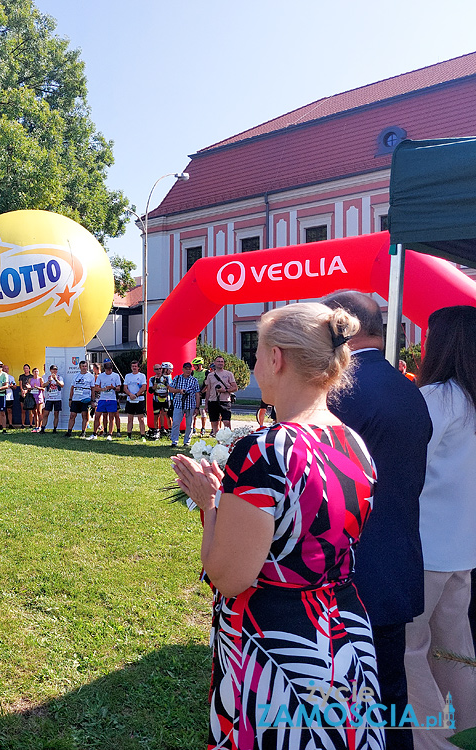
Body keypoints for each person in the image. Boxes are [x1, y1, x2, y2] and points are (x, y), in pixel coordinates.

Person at [172, 303, 384, 750]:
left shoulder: (264, 450)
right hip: (345, 637)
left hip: (279, 646)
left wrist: (211, 506)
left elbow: (230, 577)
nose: (252, 368)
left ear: (277, 358)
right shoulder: (354, 442)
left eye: (256, 355)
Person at [324, 290, 432, 750]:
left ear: (338, 327)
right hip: (397, 561)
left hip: (349, 572)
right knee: (391, 693)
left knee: (342, 701)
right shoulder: (409, 389)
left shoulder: (341, 390)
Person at [404, 305, 476, 747]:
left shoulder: (438, 397)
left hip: (426, 546)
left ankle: (434, 741)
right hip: (462, 546)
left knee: (410, 650)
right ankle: (467, 729)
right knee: (455, 650)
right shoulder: (467, 396)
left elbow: (409, 462)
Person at [167, 361, 200, 448]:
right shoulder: (177, 378)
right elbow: (170, 389)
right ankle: (174, 441)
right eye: (186, 369)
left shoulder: (194, 380)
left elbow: (197, 394)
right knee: (176, 423)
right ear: (183, 369)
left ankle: (187, 442)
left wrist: (197, 407)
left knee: (189, 424)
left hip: (190, 405)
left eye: (189, 369)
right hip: (178, 404)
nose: (188, 371)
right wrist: (179, 391)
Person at [89, 359, 120, 441]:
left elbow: (119, 388)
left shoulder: (116, 376)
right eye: (107, 370)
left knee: (111, 417)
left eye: (110, 369)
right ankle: (94, 434)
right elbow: (95, 387)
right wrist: (102, 389)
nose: (108, 371)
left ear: (112, 368)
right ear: (104, 369)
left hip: (112, 399)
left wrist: (113, 387)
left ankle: (110, 434)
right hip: (102, 399)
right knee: (97, 416)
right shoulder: (101, 376)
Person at [205, 355, 237, 434]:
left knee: (226, 422)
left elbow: (235, 388)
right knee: (214, 423)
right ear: (214, 363)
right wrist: (206, 404)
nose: (220, 363)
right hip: (213, 401)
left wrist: (225, 390)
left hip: (225, 401)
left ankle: (228, 442)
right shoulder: (210, 375)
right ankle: (218, 443)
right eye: (218, 361)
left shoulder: (229, 374)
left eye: (222, 362)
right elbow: (208, 390)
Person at [65, 360, 94, 437]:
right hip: (76, 398)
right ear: (80, 367)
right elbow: (72, 388)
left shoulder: (90, 376)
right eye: (83, 366)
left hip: (85, 398)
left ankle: (83, 432)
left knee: (84, 416)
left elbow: (93, 389)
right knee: (72, 415)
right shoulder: (76, 375)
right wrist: (70, 399)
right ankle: (69, 432)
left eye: (85, 366)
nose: (84, 368)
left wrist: (93, 400)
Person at [123, 360, 147, 440]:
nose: (134, 368)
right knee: (130, 418)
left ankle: (142, 436)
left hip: (139, 399)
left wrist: (136, 395)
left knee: (141, 419)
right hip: (130, 400)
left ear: (138, 367)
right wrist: (130, 394)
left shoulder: (142, 376)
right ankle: (129, 435)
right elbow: (125, 387)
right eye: (132, 366)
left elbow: (144, 387)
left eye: (135, 366)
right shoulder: (127, 376)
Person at [148, 362, 171, 438]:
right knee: (156, 415)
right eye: (157, 369)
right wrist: (156, 384)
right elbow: (151, 390)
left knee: (167, 415)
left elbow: (170, 388)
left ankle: (170, 431)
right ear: (154, 370)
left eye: (160, 368)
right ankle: (156, 431)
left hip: (165, 398)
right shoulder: (152, 378)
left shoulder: (167, 377)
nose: (159, 370)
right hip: (156, 398)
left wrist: (165, 383)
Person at [190, 357, 209, 437]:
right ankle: (193, 427)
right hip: (194, 394)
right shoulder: (192, 372)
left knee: (202, 411)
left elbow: (208, 384)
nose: (194, 366)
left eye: (195, 365)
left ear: (199, 365)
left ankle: (203, 428)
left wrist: (201, 392)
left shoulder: (206, 372)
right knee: (193, 411)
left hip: (203, 394)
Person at [43, 365, 64, 432]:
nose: (54, 371)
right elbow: (43, 385)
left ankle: (55, 429)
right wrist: (49, 381)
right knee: (46, 413)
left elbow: (62, 385)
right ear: (50, 370)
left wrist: (56, 380)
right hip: (49, 398)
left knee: (56, 414)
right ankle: (43, 428)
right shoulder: (47, 377)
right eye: (53, 369)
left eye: (55, 369)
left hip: (57, 398)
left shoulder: (59, 377)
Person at [27, 367, 45, 432]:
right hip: (32, 397)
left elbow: (43, 389)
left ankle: (40, 426)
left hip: (39, 397)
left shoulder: (40, 379)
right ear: (32, 372)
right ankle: (36, 426)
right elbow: (29, 388)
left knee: (39, 412)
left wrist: (38, 387)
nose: (36, 373)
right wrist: (29, 388)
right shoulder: (30, 379)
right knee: (34, 412)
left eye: (37, 371)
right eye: (35, 371)